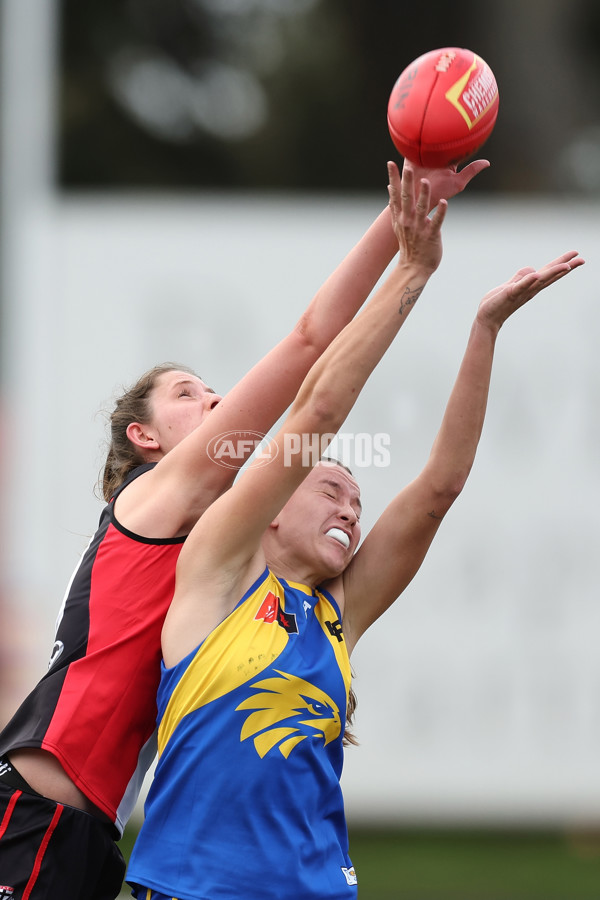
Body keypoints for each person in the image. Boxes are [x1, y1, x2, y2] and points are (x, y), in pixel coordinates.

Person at [0, 159, 488, 900]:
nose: (218, 401)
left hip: (93, 831)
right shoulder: (156, 501)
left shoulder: (229, 552)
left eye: (213, 389)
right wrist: (406, 219)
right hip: (38, 814)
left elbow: (423, 487)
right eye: (188, 395)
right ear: (145, 437)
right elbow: (309, 345)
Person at [125, 163, 584, 900]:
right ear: (270, 506)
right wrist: (411, 271)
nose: (349, 509)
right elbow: (314, 414)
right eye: (331, 489)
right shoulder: (219, 568)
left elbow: (439, 490)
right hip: (192, 888)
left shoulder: (340, 613)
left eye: (356, 501)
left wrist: (485, 328)